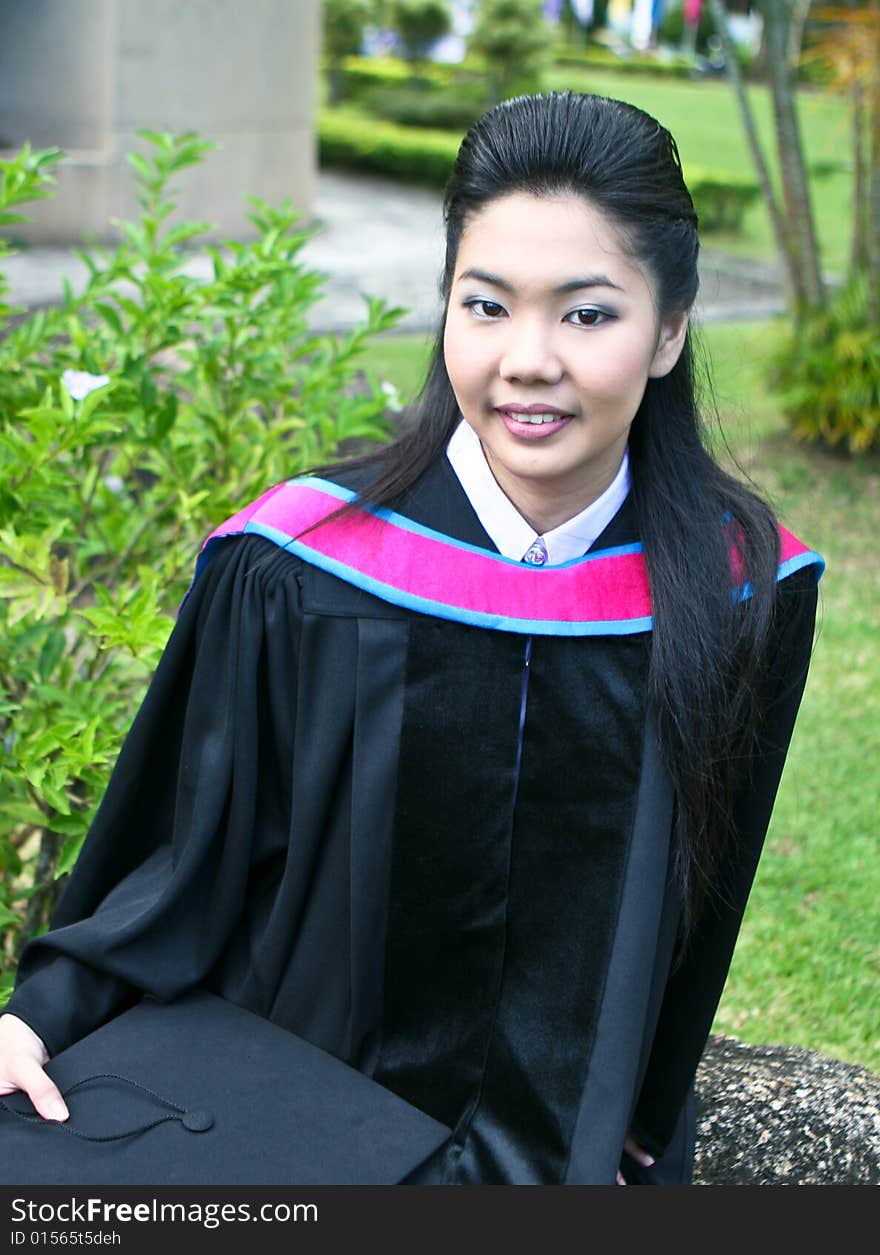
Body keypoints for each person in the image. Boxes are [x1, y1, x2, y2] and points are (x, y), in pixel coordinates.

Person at [0, 91, 823, 1185]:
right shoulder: (298, 564)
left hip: (569, 1155)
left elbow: (701, 894)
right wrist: (38, 1016)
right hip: (295, 1128)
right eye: (486, 305)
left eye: (586, 314)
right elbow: (177, 851)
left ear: (670, 329)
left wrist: (648, 1105)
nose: (527, 359)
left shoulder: (739, 589)